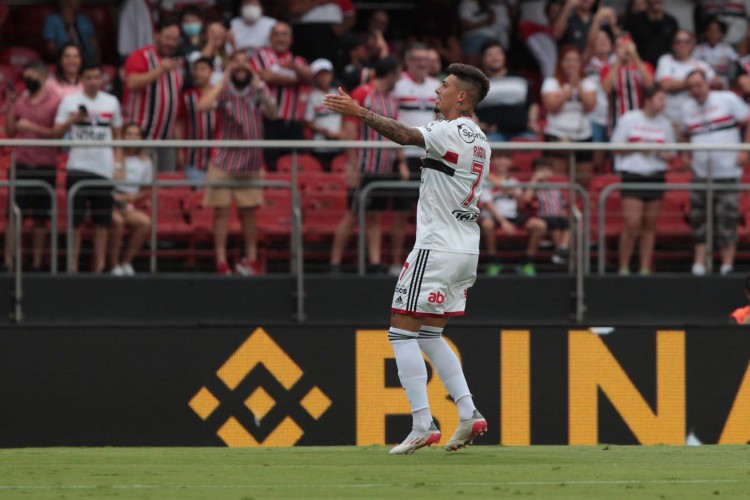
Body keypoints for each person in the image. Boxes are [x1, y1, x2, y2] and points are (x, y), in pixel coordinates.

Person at [323, 62, 491, 454]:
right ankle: (468, 413)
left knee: (400, 331)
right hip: (466, 247)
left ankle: (421, 423)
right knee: (431, 335)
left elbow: (404, 135)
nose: (437, 91)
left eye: (445, 86)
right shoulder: (480, 137)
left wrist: (358, 112)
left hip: (437, 245)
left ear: (461, 96)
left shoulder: (448, 129)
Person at [198, 51, 278, 276]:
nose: (241, 66)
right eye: (236, 62)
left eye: (246, 62)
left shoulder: (257, 90)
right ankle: (222, 261)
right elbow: (203, 106)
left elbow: (273, 113)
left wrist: (259, 84)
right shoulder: (223, 90)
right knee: (221, 211)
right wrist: (224, 78)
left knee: (249, 213)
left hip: (251, 162)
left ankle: (251, 259)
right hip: (224, 160)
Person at [327, 56, 405, 274]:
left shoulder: (391, 99)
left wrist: (400, 162)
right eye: (399, 73)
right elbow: (349, 131)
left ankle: (374, 262)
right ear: (390, 74)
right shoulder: (363, 93)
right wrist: (353, 165)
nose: (400, 77)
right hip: (364, 164)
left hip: (384, 165)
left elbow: (396, 132)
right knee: (353, 213)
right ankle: (334, 263)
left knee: (375, 214)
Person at [53, 61, 123, 274]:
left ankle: (99, 266)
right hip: (78, 167)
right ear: (82, 79)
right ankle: (72, 268)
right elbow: (55, 133)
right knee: (75, 222)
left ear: (102, 79)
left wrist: (118, 163)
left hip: (103, 169)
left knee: (102, 222)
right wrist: (71, 121)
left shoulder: (112, 102)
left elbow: (118, 136)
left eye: (97, 77)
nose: (93, 82)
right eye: (89, 78)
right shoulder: (69, 101)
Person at [680, 69, 750, 276]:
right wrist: (685, 156)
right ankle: (699, 264)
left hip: (727, 171)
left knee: (727, 217)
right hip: (701, 173)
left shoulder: (727, 99)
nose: (696, 90)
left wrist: (746, 149)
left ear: (707, 84)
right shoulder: (686, 108)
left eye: (698, 85)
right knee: (700, 218)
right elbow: (684, 134)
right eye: (691, 87)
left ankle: (727, 266)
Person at [610, 86, 676, 275]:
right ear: (648, 100)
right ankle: (623, 266)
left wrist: (658, 152)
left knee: (649, 225)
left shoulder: (665, 123)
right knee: (632, 224)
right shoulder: (630, 119)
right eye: (660, 99)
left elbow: (672, 154)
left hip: (655, 175)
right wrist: (637, 147)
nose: (663, 103)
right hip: (632, 174)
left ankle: (645, 267)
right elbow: (615, 147)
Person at [3, 61, 61, 272]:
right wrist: (9, 107)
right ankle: (9, 261)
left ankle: (37, 263)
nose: (29, 81)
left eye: (32, 78)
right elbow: (10, 131)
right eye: (26, 78)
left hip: (45, 165)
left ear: (44, 76)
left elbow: (57, 135)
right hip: (22, 164)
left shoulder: (55, 101)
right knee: (14, 215)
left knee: (40, 218)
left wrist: (32, 127)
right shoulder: (21, 99)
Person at [390, 44, 439, 275]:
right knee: (401, 212)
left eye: (425, 60)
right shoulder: (398, 85)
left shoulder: (436, 86)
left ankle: (426, 261)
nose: (422, 64)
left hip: (430, 155)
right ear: (407, 62)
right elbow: (391, 120)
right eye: (417, 60)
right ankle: (395, 261)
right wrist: (399, 159)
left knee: (430, 212)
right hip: (405, 156)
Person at [123, 19, 184, 172]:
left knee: (166, 188)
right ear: (157, 36)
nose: (170, 43)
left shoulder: (178, 63)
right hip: (141, 137)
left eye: (175, 39)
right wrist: (159, 70)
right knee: (139, 185)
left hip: (166, 140)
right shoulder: (140, 56)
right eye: (167, 38)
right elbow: (132, 82)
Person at [250, 22, 312, 171]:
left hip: (293, 122)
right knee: (270, 163)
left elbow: (310, 79)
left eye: (284, 34)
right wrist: (296, 79)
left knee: (296, 165)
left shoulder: (297, 61)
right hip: (268, 121)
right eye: (276, 34)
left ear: (291, 39)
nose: (280, 38)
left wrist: (296, 69)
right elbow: (265, 76)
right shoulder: (260, 56)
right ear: (270, 38)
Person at [479, 152, 546, 277]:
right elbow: (487, 204)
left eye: (505, 158)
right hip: (494, 216)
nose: (501, 162)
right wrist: (503, 222)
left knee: (539, 225)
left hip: (513, 216)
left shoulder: (514, 181)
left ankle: (527, 262)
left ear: (510, 162)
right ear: (493, 162)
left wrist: (514, 192)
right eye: (499, 158)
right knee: (487, 224)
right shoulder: (485, 180)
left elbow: (522, 202)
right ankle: (493, 261)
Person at [541, 45, 597, 185]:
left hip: (583, 136)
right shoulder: (551, 82)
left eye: (575, 61)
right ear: (560, 62)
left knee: (583, 181)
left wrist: (578, 86)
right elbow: (552, 107)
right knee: (557, 180)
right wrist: (568, 89)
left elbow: (590, 106)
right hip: (557, 134)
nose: (571, 64)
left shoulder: (587, 83)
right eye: (567, 60)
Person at [476, 40, 540, 143]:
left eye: (498, 53)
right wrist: (477, 124)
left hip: (522, 132)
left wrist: (532, 121)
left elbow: (532, 103)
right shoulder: (477, 83)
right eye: (490, 55)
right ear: (482, 59)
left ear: (504, 56)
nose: (495, 57)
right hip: (491, 134)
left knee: (532, 148)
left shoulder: (520, 80)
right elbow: (467, 109)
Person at [110, 123, 152, 276]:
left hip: (129, 203)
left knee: (145, 223)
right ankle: (113, 265)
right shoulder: (112, 156)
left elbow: (145, 190)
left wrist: (131, 197)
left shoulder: (145, 162)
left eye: (136, 134)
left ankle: (126, 262)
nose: (133, 138)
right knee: (118, 223)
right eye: (129, 134)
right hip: (110, 200)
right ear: (122, 136)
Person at [656, 30, 719, 127]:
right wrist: (696, 83)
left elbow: (716, 83)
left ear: (692, 44)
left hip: (696, 118)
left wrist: (679, 84)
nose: (681, 45)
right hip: (670, 118)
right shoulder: (665, 60)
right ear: (672, 44)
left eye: (686, 42)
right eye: (678, 42)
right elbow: (665, 85)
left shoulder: (701, 65)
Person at [521, 157, 571, 274]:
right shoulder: (531, 186)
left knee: (565, 223)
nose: (544, 172)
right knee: (554, 225)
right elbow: (526, 199)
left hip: (556, 216)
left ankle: (562, 249)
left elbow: (563, 203)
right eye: (541, 170)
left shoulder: (555, 188)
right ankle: (560, 253)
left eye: (547, 169)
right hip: (539, 216)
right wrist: (535, 179)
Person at [176, 57, 217, 186]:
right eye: (196, 69)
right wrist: (180, 150)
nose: (198, 73)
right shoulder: (187, 96)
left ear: (212, 72)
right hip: (193, 158)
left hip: (219, 160)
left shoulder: (221, 94)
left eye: (203, 69)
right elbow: (180, 124)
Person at [601, 34, 655, 127]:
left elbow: (650, 86)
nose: (625, 50)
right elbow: (606, 89)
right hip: (617, 121)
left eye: (627, 45)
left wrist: (635, 56)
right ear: (614, 49)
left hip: (641, 122)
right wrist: (619, 60)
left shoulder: (645, 66)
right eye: (620, 46)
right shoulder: (608, 68)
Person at [288, 0, 356, 65]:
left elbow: (350, 17)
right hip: (304, 35)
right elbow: (294, 10)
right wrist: (318, 2)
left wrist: (339, 30)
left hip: (330, 36)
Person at [304, 58, 342, 171]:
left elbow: (346, 118)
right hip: (320, 146)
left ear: (331, 75)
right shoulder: (312, 96)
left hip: (339, 144)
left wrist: (343, 132)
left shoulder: (338, 93)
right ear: (315, 77)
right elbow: (308, 122)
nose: (323, 77)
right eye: (319, 75)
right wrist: (325, 132)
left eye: (326, 73)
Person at [624, 0, 679, 68]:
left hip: (666, 66)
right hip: (641, 66)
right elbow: (627, 41)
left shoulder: (671, 21)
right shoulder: (635, 21)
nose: (656, 1)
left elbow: (676, 43)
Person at [694, 17, 739, 90]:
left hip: (724, 80)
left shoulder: (727, 48)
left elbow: (736, 63)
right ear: (705, 33)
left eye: (717, 31)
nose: (713, 33)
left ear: (722, 34)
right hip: (705, 80)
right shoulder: (699, 49)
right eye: (710, 30)